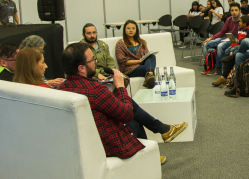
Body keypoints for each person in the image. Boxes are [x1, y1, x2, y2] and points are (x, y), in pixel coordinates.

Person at [58, 43, 187, 164]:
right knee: (134, 117)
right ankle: (154, 147)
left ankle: (157, 141)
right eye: (92, 60)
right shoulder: (95, 90)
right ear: (81, 68)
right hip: (107, 144)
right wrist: (120, 86)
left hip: (84, 142)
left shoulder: (61, 88)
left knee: (131, 111)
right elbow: (127, 114)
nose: (96, 62)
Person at [202, 2, 242, 75]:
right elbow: (222, 32)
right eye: (232, 10)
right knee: (206, 43)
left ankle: (218, 68)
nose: (234, 12)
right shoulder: (229, 19)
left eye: (236, 10)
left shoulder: (243, 20)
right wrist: (211, 38)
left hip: (235, 40)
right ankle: (208, 66)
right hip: (227, 38)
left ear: (240, 11)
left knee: (220, 46)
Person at [114, 20, 156, 87]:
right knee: (149, 70)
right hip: (129, 69)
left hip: (141, 65)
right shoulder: (120, 44)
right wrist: (139, 61)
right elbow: (122, 61)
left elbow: (146, 57)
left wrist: (144, 59)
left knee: (151, 57)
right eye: (128, 28)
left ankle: (149, 75)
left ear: (136, 30)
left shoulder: (141, 42)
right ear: (124, 30)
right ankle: (151, 85)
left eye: (133, 28)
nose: (131, 30)